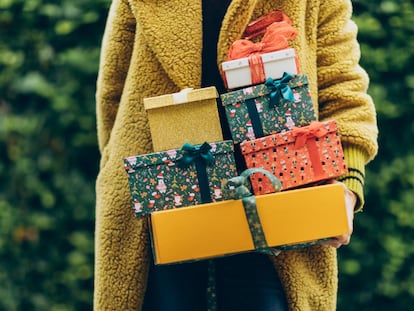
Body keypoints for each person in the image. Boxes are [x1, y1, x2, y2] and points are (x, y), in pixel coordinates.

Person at [94, 0, 378, 310]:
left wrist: (348, 186)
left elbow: (343, 91)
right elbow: (114, 96)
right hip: (161, 214)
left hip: (280, 217)